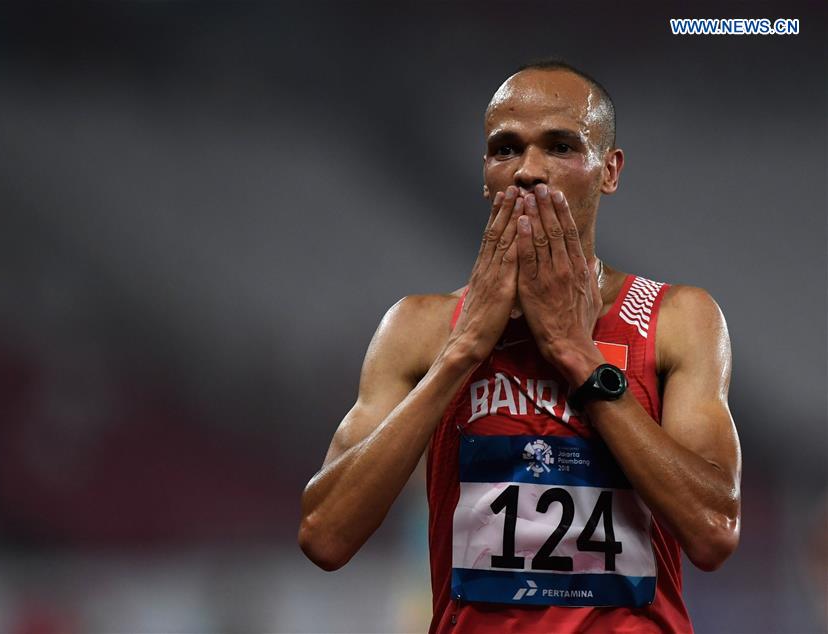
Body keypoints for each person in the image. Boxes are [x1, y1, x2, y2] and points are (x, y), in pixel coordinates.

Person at [298, 60, 741, 633]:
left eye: (560, 146)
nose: (529, 171)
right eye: (505, 149)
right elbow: (325, 535)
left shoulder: (676, 319)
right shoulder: (421, 328)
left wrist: (579, 356)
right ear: (486, 176)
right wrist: (461, 352)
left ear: (610, 170)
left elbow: (714, 532)